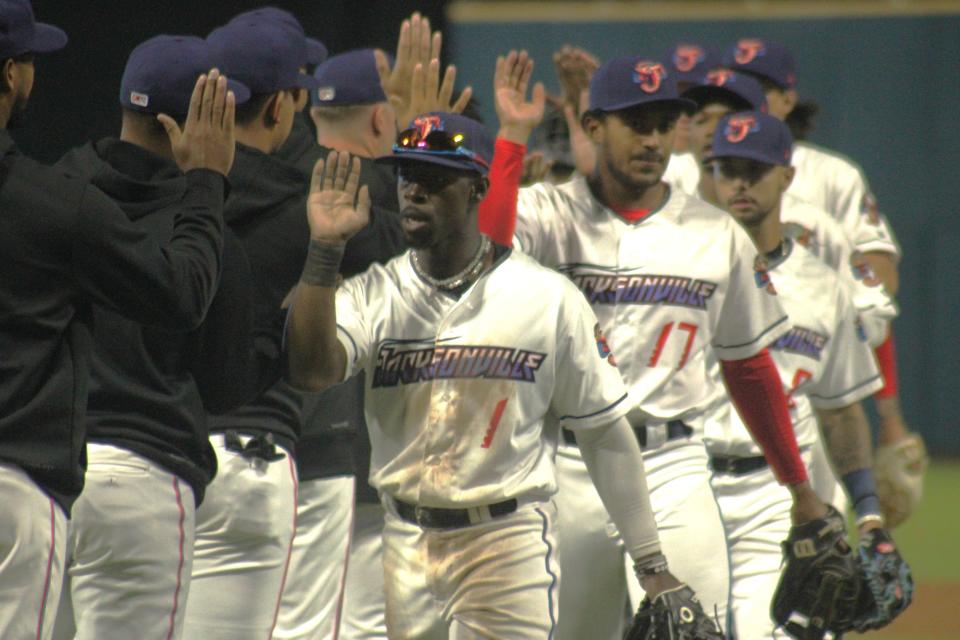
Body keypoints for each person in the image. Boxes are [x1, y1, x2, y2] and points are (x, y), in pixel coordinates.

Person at [285, 111, 719, 639]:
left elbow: (603, 430)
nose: (413, 191)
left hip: (505, 541)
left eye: (435, 178)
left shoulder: (547, 298)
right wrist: (324, 250)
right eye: (406, 175)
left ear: (477, 189)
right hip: (403, 540)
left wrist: (651, 563)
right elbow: (311, 372)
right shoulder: (374, 291)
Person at [478, 53, 837, 639]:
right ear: (593, 127)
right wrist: (512, 137)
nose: (653, 139)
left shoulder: (715, 232)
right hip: (565, 467)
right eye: (635, 123)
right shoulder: (546, 214)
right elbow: (483, 263)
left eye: (664, 124)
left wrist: (801, 489)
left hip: (673, 466)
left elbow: (749, 371)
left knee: (694, 629)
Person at [0, 2, 232, 638]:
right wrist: (208, 181)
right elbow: (187, 302)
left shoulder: (64, 181)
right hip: (46, 478)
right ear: (11, 75)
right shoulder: (56, 205)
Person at [50, 35, 265, 640]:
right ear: (186, 124)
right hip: (140, 485)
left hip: (41, 470)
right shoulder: (207, 235)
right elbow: (225, 389)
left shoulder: (50, 192)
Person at [705, 110, 911, 637]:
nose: (740, 182)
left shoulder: (822, 284)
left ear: (787, 176)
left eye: (754, 168)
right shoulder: (687, 272)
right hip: (685, 481)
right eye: (727, 168)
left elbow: (840, 411)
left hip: (780, 494)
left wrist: (868, 512)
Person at [721, 39, 925, 526]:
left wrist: (889, 414)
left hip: (804, 381)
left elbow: (876, 288)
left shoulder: (830, 177)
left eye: (762, 88)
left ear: (788, 100)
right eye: (735, 87)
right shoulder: (703, 173)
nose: (747, 97)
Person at [179, 15, 318, 640]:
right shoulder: (311, 206)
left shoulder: (150, 191)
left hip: (143, 455)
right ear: (282, 108)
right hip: (247, 462)